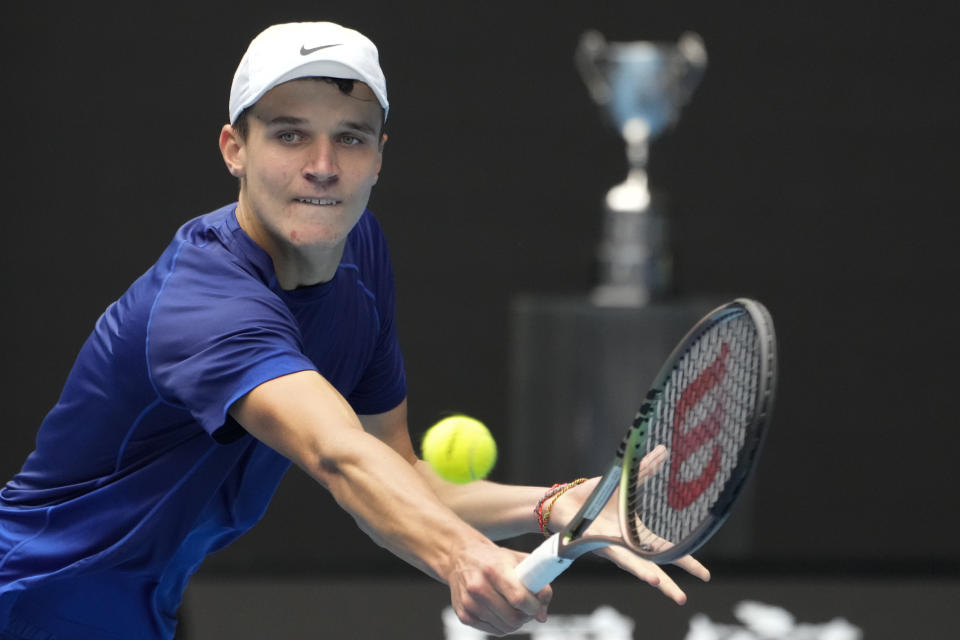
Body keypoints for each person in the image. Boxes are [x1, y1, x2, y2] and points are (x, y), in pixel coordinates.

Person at [0, 21, 709, 639]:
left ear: (379, 156)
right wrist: (463, 557)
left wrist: (556, 507)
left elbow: (396, 476)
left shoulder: (358, 254)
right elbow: (338, 453)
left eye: (350, 138)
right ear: (233, 149)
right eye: (288, 135)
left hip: (126, 615)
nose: (322, 166)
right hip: (23, 606)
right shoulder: (204, 301)